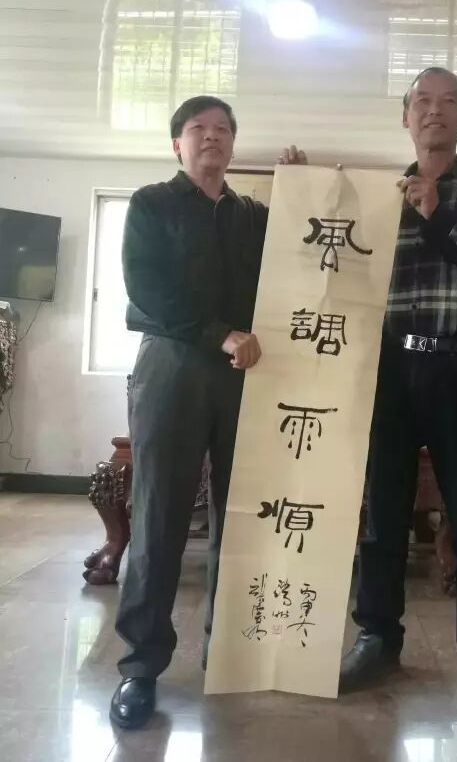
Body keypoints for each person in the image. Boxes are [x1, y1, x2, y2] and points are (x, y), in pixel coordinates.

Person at [339, 67, 457, 747]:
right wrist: (303, 187)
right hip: (388, 367)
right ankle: (376, 636)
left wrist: (438, 212)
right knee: (381, 515)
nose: (435, 111)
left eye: (450, 102)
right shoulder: (377, 194)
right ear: (405, 116)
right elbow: (333, 265)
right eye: (422, 100)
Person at [109, 94, 306, 729]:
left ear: (234, 144)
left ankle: (229, 650)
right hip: (172, 367)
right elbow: (147, 290)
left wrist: (300, 191)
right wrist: (218, 334)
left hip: (246, 373)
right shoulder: (151, 203)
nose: (212, 137)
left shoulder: (252, 216)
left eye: (223, 129)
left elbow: (301, 255)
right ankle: (141, 666)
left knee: (243, 515)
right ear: (178, 143)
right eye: (199, 129)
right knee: (159, 514)